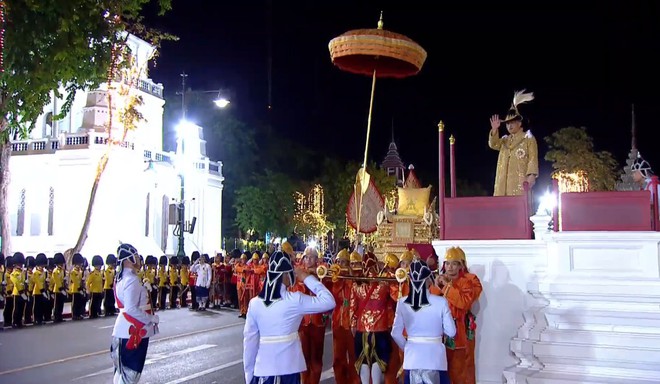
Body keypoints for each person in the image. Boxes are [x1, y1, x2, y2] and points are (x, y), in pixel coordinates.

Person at [243, 251, 336, 384]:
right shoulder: (295, 300)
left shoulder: (255, 303)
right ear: (286, 275)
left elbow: (250, 342)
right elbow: (329, 301)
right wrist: (306, 278)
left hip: (263, 370)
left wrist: (249, 373)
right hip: (290, 369)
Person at [391, 259, 456, 384]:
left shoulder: (402, 302)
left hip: (412, 358)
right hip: (435, 359)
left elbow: (395, 333)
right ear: (428, 280)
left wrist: (409, 346)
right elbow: (451, 332)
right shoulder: (441, 302)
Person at [431, 247, 483, 384]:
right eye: (447, 263)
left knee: (460, 372)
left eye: (454, 263)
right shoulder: (439, 280)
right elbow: (431, 304)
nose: (450, 267)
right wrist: (437, 286)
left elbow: (463, 303)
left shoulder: (469, 281)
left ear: (461, 265)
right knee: (440, 371)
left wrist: (447, 287)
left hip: (460, 333)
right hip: (439, 334)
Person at [111, 243, 159, 384]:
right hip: (132, 331)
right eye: (136, 257)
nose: (139, 260)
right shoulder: (131, 280)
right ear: (129, 260)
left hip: (125, 329)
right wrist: (151, 318)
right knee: (131, 374)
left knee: (121, 374)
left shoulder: (123, 278)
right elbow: (131, 309)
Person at [488, 90, 539, 196]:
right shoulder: (505, 140)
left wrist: (531, 177)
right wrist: (494, 130)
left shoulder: (528, 139)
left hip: (520, 186)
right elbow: (493, 144)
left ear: (519, 123)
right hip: (501, 187)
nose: (509, 126)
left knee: (519, 211)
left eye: (512, 123)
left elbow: (532, 160)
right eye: (507, 124)